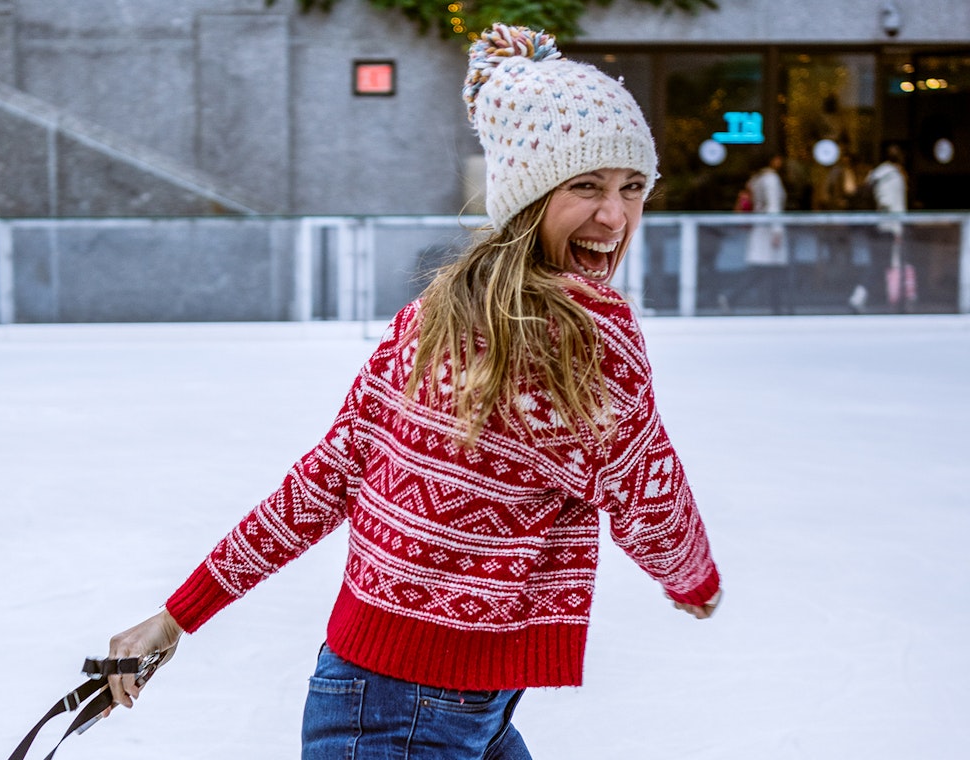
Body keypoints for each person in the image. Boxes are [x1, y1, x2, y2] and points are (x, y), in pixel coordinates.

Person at [102, 23, 722, 758]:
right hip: (408, 715)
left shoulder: (432, 316)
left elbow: (325, 479)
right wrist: (694, 581)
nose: (614, 217)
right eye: (585, 186)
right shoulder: (585, 337)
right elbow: (650, 492)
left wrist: (178, 615)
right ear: (528, 195)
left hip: (404, 695)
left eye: (632, 188)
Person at [719, 153, 790, 314]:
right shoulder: (771, 179)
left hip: (760, 228)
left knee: (765, 271)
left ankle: (773, 306)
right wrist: (776, 230)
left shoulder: (756, 179)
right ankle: (775, 307)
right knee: (770, 271)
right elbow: (773, 206)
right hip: (768, 230)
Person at [849, 144, 909, 313]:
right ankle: (861, 296)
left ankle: (880, 297)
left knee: (880, 263)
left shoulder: (876, 174)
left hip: (875, 226)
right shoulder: (894, 177)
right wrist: (898, 229)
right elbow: (893, 205)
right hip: (888, 226)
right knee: (882, 264)